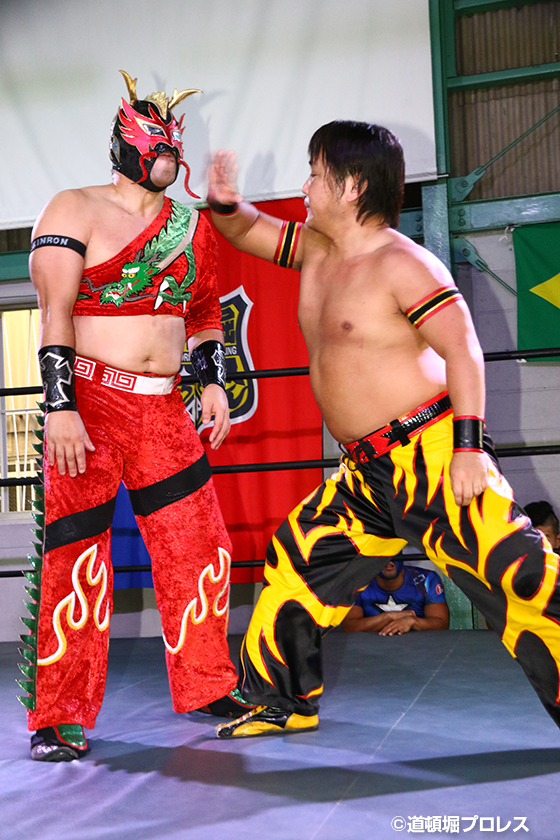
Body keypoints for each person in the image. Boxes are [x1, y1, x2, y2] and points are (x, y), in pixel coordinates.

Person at [204, 120, 560, 739]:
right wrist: (224, 201)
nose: (305, 186)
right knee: (297, 561)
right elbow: (241, 229)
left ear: (352, 186)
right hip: (364, 472)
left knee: (519, 577)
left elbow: (463, 350)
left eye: (315, 174)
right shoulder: (317, 250)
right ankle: (283, 700)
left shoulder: (404, 263)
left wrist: (470, 449)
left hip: (432, 454)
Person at [19, 71, 253, 762]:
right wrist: (59, 405)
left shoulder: (191, 226)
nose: (168, 153)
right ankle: (58, 714)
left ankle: (208, 683)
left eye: (173, 142)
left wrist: (213, 384)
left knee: (200, 545)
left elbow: (203, 313)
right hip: (90, 402)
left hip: (165, 408)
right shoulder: (72, 208)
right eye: (156, 141)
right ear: (125, 142)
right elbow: (54, 315)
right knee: (76, 557)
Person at [342, 559, 449, 635]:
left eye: (394, 553)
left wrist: (413, 622)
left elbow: (442, 624)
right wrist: (389, 617)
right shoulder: (358, 582)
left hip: (418, 649)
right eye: (383, 555)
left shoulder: (425, 579)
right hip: (370, 650)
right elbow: (349, 627)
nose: (389, 562)